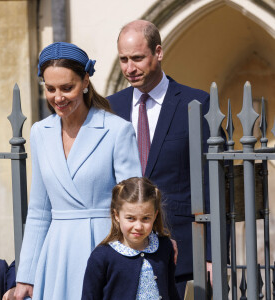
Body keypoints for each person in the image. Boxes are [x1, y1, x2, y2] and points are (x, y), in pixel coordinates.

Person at [14, 42, 142, 299]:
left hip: (105, 250)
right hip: (56, 254)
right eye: (50, 89)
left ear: (85, 82)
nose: (58, 97)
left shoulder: (117, 130)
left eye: (67, 88)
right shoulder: (40, 132)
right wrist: (26, 275)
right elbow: (39, 209)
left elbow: (135, 206)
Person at [107, 20, 212, 299]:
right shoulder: (110, 108)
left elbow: (212, 182)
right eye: (123, 60)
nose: (130, 68)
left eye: (138, 58)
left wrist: (212, 254)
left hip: (183, 256)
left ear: (158, 52)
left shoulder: (197, 104)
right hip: (123, 252)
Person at [81, 177, 180, 300]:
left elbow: (171, 291)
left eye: (146, 218)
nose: (138, 226)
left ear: (155, 215)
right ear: (116, 215)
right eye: (130, 218)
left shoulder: (164, 247)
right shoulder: (101, 256)